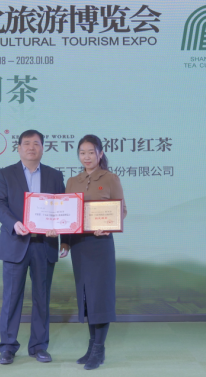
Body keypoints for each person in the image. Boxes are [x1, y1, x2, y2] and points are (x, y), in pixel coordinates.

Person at [0, 129, 68, 365]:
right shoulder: (6, 174)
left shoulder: (55, 175)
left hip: (44, 244)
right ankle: (7, 347)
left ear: (43, 148)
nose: (31, 147)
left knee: (41, 298)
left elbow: (63, 207)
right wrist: (13, 223)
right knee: (11, 298)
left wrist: (61, 232)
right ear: (19, 148)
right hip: (15, 242)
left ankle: (39, 346)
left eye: (36, 143)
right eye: (26, 143)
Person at [64, 134, 126, 370]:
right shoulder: (72, 181)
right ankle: (92, 347)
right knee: (87, 296)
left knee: (100, 296)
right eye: (82, 153)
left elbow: (122, 209)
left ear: (100, 153)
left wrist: (108, 225)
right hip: (79, 246)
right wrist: (65, 243)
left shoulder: (110, 178)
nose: (86, 157)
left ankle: (99, 349)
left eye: (91, 152)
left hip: (101, 245)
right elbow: (67, 215)